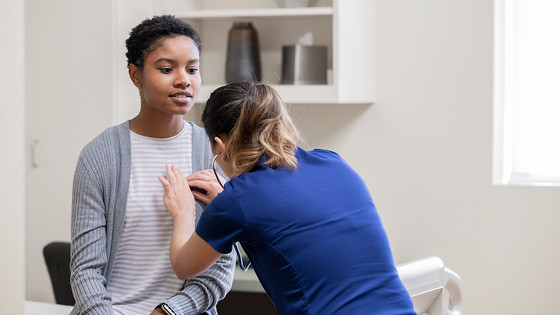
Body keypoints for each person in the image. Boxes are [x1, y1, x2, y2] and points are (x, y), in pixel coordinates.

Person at [159, 81, 417, 315]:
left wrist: (183, 212)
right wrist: (228, 202)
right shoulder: (333, 162)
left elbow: (184, 266)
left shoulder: (238, 199)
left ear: (221, 145)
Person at [70, 15, 235, 315]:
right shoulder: (99, 157)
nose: (184, 79)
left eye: (193, 69)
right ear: (136, 75)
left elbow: (221, 267)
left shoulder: (214, 152)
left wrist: (167, 312)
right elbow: (85, 270)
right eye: (167, 69)